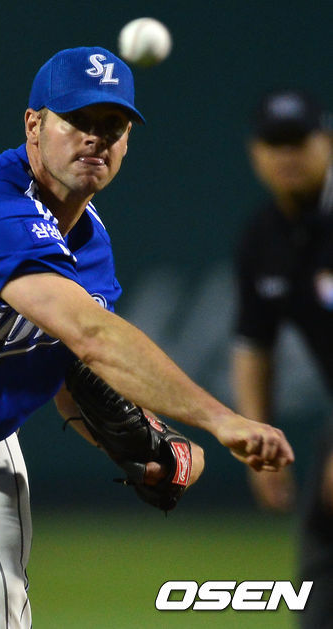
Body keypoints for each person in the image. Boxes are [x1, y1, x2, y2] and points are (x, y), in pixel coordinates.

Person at [0, 46, 293, 629]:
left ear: (127, 141)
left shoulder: (90, 247)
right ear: (33, 124)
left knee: (0, 614)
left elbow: (74, 376)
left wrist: (149, 445)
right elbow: (92, 335)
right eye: (77, 120)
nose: (95, 138)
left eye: (113, 125)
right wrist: (220, 420)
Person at [232, 88, 333, 628]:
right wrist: (256, 439)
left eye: (299, 141)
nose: (288, 155)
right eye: (275, 143)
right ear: (256, 154)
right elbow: (255, 346)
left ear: (327, 143)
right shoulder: (263, 237)